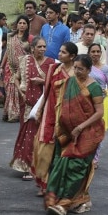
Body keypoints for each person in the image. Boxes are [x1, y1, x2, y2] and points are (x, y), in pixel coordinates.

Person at [44, 54, 105, 215]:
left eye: (81, 69)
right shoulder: (70, 82)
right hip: (68, 132)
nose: (77, 71)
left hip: (89, 132)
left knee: (77, 166)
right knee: (61, 163)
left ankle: (64, 204)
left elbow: (100, 112)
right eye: (75, 68)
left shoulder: (94, 87)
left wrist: (80, 127)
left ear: (89, 70)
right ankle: (76, 199)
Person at [32, 42, 78, 196]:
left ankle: (56, 183)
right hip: (50, 112)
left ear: (72, 56)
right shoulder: (54, 68)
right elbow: (47, 91)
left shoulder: (76, 73)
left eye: (64, 52)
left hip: (67, 115)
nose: (60, 54)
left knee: (62, 149)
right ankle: (44, 183)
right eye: (60, 51)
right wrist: (40, 110)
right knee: (44, 147)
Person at [10, 37, 54, 180]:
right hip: (27, 104)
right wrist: (21, 92)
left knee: (39, 135)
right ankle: (27, 167)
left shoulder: (51, 63)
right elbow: (15, 78)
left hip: (43, 104)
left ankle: (39, 167)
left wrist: (42, 81)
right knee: (28, 134)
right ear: (33, 48)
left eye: (44, 46)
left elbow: (54, 82)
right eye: (39, 47)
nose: (42, 49)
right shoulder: (25, 61)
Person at [1, 16, 31, 123]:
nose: (22, 25)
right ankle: (10, 113)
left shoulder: (30, 38)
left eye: (24, 23)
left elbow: (31, 54)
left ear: (27, 25)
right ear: (17, 24)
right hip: (10, 68)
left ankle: (19, 113)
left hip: (23, 68)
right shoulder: (10, 37)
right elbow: (7, 52)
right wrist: (1, 66)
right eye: (20, 23)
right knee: (10, 90)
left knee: (20, 90)